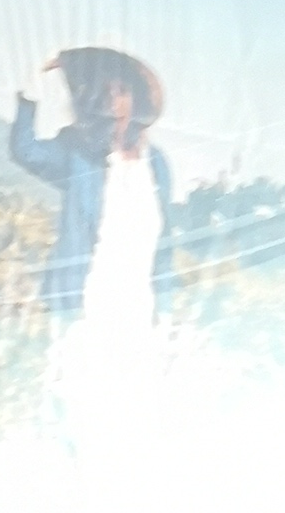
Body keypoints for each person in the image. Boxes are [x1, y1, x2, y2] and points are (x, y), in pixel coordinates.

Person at [9, 47, 175, 363]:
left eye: (121, 92)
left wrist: (166, 311)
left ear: (137, 102)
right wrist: (31, 90)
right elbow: (25, 151)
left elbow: (163, 246)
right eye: (104, 94)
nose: (112, 103)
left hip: (139, 312)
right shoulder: (78, 155)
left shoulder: (157, 165)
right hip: (83, 309)